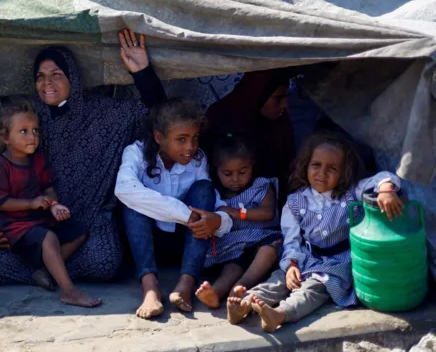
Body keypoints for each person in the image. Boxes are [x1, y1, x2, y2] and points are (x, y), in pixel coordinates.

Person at [0, 29, 167, 285]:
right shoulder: (27, 120)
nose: (46, 83)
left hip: (86, 226)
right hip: (32, 226)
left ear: (72, 77)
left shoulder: (106, 115)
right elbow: (3, 182)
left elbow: (157, 113)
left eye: (56, 75)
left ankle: (47, 273)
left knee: (104, 260)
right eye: (40, 77)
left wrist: (142, 71)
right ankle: (49, 273)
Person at [227, 132, 403, 332]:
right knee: (278, 279)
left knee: (313, 288)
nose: (322, 173)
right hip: (306, 256)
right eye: (316, 165)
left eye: (332, 168)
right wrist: (292, 264)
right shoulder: (295, 202)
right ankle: (245, 304)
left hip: (338, 262)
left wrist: (386, 189)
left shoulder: (351, 194)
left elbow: (384, 176)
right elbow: (291, 240)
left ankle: (281, 314)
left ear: (344, 172)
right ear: (306, 165)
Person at [115, 98, 232, 318]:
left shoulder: (197, 160)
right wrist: (185, 214)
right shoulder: (136, 153)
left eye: (194, 138)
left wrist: (217, 221)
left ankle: (186, 283)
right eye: (181, 139)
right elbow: (123, 189)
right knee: (133, 203)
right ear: (159, 137)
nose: (190, 147)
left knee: (204, 189)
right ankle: (150, 288)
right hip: (149, 243)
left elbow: (215, 205)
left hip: (184, 244)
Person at [0, 101, 100, 307]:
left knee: (79, 232)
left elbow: (48, 188)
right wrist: (31, 203)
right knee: (48, 237)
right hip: (12, 224)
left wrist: (54, 205)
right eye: (23, 131)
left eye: (35, 130)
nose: (32, 136)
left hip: (37, 216)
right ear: (5, 137)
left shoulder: (38, 160)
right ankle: (68, 290)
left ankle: (46, 271)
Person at [194, 135, 283, 312]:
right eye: (227, 174)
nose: (235, 179)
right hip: (233, 245)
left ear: (252, 166)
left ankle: (241, 286)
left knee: (270, 248)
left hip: (262, 238)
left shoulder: (261, 187)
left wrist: (237, 213)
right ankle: (216, 292)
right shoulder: (215, 196)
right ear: (216, 170)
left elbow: (267, 213)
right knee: (232, 268)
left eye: (242, 172)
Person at [203, 69, 297, 201]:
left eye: (286, 97)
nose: (285, 104)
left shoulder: (280, 125)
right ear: (258, 95)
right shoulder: (221, 118)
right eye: (277, 98)